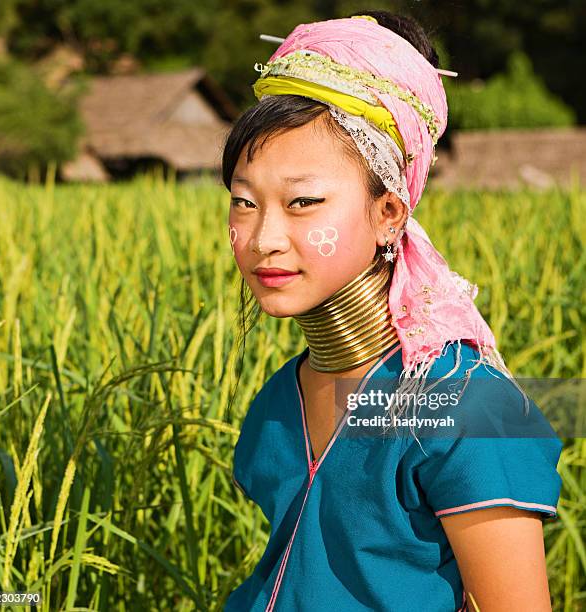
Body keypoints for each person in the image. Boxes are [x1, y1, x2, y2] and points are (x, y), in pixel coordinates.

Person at [221, 10, 563, 611]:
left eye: (303, 202)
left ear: (389, 213)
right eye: (245, 202)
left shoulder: (465, 406)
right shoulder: (280, 403)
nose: (263, 237)